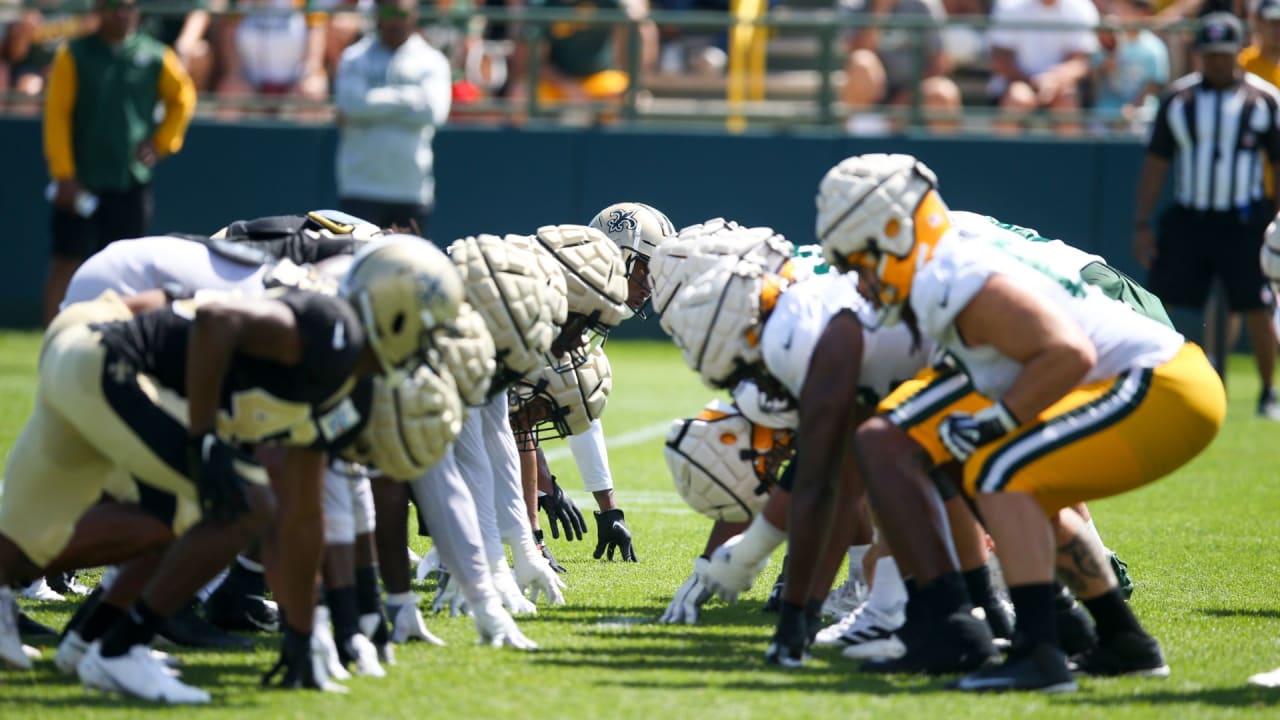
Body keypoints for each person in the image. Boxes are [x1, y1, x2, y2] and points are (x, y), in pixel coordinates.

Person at [818, 152, 1225, 691]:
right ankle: (1117, 638)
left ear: (892, 231)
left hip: (1160, 384)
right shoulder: (948, 248)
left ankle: (1039, 651)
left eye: (858, 261)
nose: (859, 279)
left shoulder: (947, 271)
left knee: (999, 472)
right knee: (990, 468)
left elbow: (1066, 354)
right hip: (1158, 379)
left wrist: (997, 422)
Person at [1133, 11, 1280, 419]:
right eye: (1210, 54)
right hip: (1190, 215)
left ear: (1238, 53)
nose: (1217, 62)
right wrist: (1142, 222)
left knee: (1257, 305)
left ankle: (1269, 392)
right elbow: (1156, 164)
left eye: (1224, 54)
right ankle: (1156, 383)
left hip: (1245, 218)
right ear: (1199, 54)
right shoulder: (1178, 100)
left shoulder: (1265, 99)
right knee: (1160, 304)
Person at [41, 0, 196, 325]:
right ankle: (52, 338)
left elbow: (183, 97)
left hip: (129, 179)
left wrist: (161, 143)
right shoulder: (74, 54)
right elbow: (56, 116)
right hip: (81, 180)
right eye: (116, 7)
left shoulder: (154, 55)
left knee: (127, 268)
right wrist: (63, 175)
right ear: (99, 9)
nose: (124, 14)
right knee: (65, 262)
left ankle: (120, 338)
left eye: (129, 7)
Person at [334, 0, 453, 237]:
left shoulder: (432, 60)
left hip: (410, 191)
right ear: (378, 14)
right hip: (360, 188)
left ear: (414, 14)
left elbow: (433, 111)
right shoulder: (354, 58)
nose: (396, 19)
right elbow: (351, 105)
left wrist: (372, 101)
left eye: (402, 12)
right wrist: (410, 98)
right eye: (389, 11)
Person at [838, 0, 963, 132]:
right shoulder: (851, 5)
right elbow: (857, 52)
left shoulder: (925, 5)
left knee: (943, 94)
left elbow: (940, 63)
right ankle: (854, 143)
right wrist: (880, 10)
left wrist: (906, 98)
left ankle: (943, 152)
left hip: (913, 93)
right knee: (861, 63)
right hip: (874, 95)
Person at [987, 0, 1100, 134]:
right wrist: (1033, 82)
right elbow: (1000, 60)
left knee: (1066, 98)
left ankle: (1071, 155)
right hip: (1018, 81)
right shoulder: (1008, 5)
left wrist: (1055, 80)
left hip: (1061, 85)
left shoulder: (1081, 7)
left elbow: (1081, 61)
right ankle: (1004, 155)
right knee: (1017, 98)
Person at [1090, 0, 1168, 130]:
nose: (1121, 14)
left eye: (1127, 10)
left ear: (1142, 13)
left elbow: (1153, 86)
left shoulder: (1154, 47)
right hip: (1108, 107)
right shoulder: (1107, 41)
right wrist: (1106, 63)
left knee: (1141, 127)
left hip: (1141, 108)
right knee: (1095, 127)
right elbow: (1094, 77)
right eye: (1119, 9)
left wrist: (1132, 108)